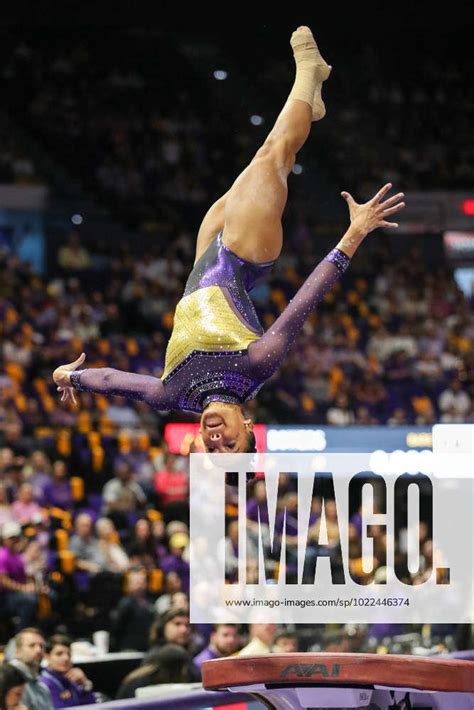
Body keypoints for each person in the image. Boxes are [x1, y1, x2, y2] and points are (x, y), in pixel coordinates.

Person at [53, 27, 405, 454]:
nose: (218, 441)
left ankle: (310, 103)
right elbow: (306, 300)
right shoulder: (257, 365)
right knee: (273, 154)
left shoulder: (170, 396)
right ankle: (309, 74)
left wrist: (69, 377)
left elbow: (109, 380)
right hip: (245, 256)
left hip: (206, 255)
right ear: (248, 424)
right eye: (233, 446)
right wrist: (353, 234)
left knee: (275, 157)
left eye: (212, 448)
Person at [39, 635, 96, 708]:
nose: (66, 658)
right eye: (59, 654)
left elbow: (92, 706)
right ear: (47, 657)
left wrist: (85, 684)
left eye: (69, 654)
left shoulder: (73, 679)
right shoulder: (43, 684)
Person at [9, 628, 54, 710]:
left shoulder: (43, 687)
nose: (38, 650)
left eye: (42, 646)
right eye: (32, 645)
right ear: (17, 651)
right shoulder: (7, 681)